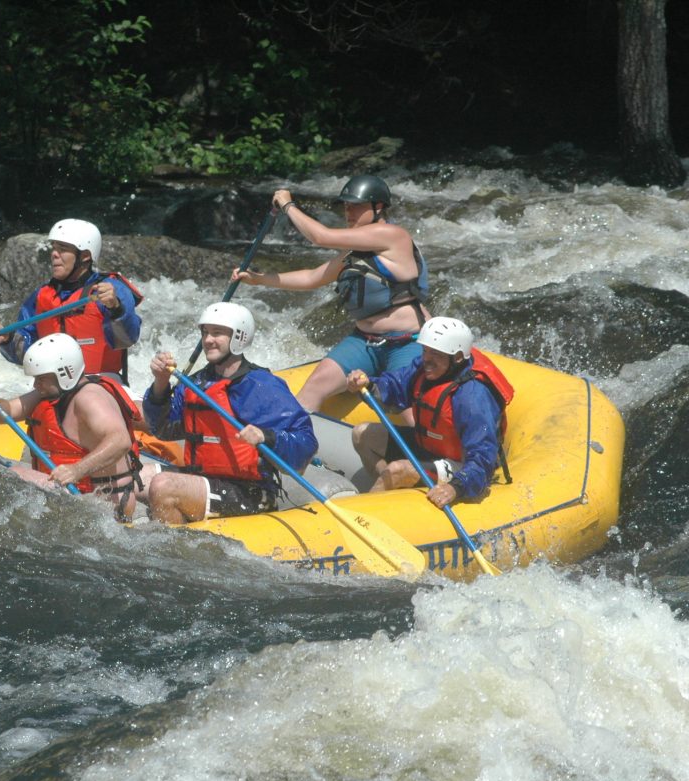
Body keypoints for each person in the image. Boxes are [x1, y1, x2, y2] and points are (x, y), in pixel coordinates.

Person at [232, 175, 432, 412]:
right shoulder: (356, 250)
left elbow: (321, 237)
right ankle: (294, 443)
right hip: (365, 342)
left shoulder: (393, 235)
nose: (349, 212)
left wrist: (288, 205)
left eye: (356, 206)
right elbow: (311, 277)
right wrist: (259, 279)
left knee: (409, 410)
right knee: (314, 386)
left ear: (378, 207)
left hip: (406, 341)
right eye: (347, 206)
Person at [141, 302, 318, 524]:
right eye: (205, 333)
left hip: (249, 493)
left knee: (162, 485)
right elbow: (163, 429)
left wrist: (267, 437)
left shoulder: (262, 386)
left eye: (217, 333)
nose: (208, 340)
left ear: (239, 337)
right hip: (203, 479)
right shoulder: (197, 383)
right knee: (134, 478)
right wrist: (161, 383)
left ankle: (173, 549)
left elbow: (306, 442)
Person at [0, 333, 146, 520]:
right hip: (78, 495)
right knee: (1, 474)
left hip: (104, 504)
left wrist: (76, 470)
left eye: (41, 378)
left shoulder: (90, 398)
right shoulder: (49, 391)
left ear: (66, 372)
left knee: (15, 474)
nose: (36, 384)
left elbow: (121, 441)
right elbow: (7, 412)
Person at [345, 316, 513, 509]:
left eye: (435, 354)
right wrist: (369, 384)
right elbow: (396, 386)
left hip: (461, 463)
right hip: (430, 447)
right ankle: (391, 501)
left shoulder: (472, 397)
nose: (426, 359)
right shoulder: (428, 368)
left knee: (397, 470)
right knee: (361, 435)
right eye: (425, 351)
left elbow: (483, 458)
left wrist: (456, 487)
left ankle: (365, 515)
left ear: (457, 358)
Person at [0, 218, 143, 384]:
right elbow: (27, 355)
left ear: (85, 256)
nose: (54, 254)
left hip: (102, 383)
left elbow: (127, 339)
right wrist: (8, 339)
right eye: (54, 248)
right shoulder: (41, 296)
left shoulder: (110, 289)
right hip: (55, 388)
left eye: (63, 249)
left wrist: (116, 308)